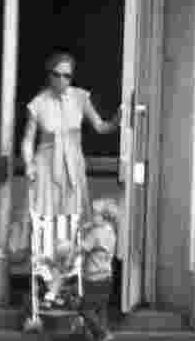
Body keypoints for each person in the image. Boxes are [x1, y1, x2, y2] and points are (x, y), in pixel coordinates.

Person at [20, 52, 120, 218]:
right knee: (45, 214)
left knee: (73, 215)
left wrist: (118, 119)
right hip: (46, 164)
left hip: (73, 162)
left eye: (66, 76)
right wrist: (29, 164)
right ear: (49, 75)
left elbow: (101, 126)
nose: (61, 80)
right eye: (56, 75)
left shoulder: (80, 97)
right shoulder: (38, 103)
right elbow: (28, 139)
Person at [76, 197, 119, 341]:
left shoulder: (96, 233)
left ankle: (102, 334)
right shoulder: (110, 231)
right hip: (107, 276)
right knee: (100, 309)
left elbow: (82, 248)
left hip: (93, 276)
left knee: (85, 309)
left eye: (95, 214)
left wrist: (80, 233)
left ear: (103, 217)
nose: (92, 217)